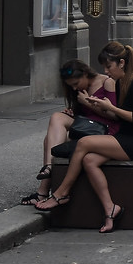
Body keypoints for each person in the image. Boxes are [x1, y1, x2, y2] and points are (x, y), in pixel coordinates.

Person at [37, 42, 133, 233]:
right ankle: (110, 209)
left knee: (84, 143)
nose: (106, 72)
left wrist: (110, 107)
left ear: (122, 63)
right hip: (125, 138)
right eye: (105, 67)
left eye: (109, 66)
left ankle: (62, 192)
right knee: (89, 160)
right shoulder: (121, 83)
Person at [25, 59, 116, 205]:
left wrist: (88, 103)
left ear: (85, 74)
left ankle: (42, 191)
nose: (74, 89)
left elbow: (114, 115)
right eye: (70, 86)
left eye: (76, 84)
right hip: (85, 127)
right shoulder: (78, 91)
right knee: (56, 120)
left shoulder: (107, 82)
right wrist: (73, 112)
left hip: (103, 130)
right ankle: (48, 168)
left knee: (50, 140)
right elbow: (83, 116)